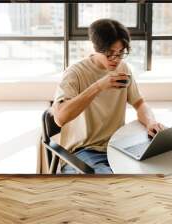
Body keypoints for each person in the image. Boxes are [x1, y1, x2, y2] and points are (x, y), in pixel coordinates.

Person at [52, 19, 165, 174]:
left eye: (120, 53)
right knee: (110, 184)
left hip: (117, 147)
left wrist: (151, 122)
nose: (115, 59)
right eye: (110, 53)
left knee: (160, 167)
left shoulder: (123, 68)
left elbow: (139, 103)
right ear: (96, 48)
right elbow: (59, 118)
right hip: (83, 152)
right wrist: (99, 86)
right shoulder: (75, 73)